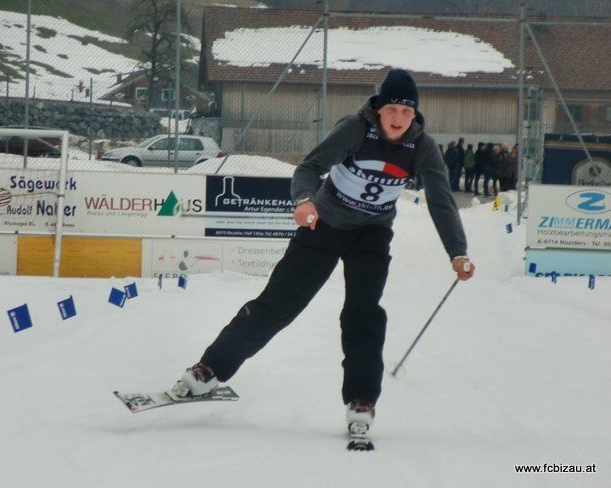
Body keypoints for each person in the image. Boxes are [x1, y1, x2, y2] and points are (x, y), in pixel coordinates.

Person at [172, 69, 475, 437]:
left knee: (363, 314)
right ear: (379, 109)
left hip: (372, 235)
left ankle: (361, 400)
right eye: (392, 109)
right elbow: (310, 168)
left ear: (415, 115)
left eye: (407, 112)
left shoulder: (422, 147)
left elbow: (442, 201)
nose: (399, 118)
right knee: (279, 303)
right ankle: (209, 368)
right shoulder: (355, 129)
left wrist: (457, 252)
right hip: (325, 225)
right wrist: (304, 200)